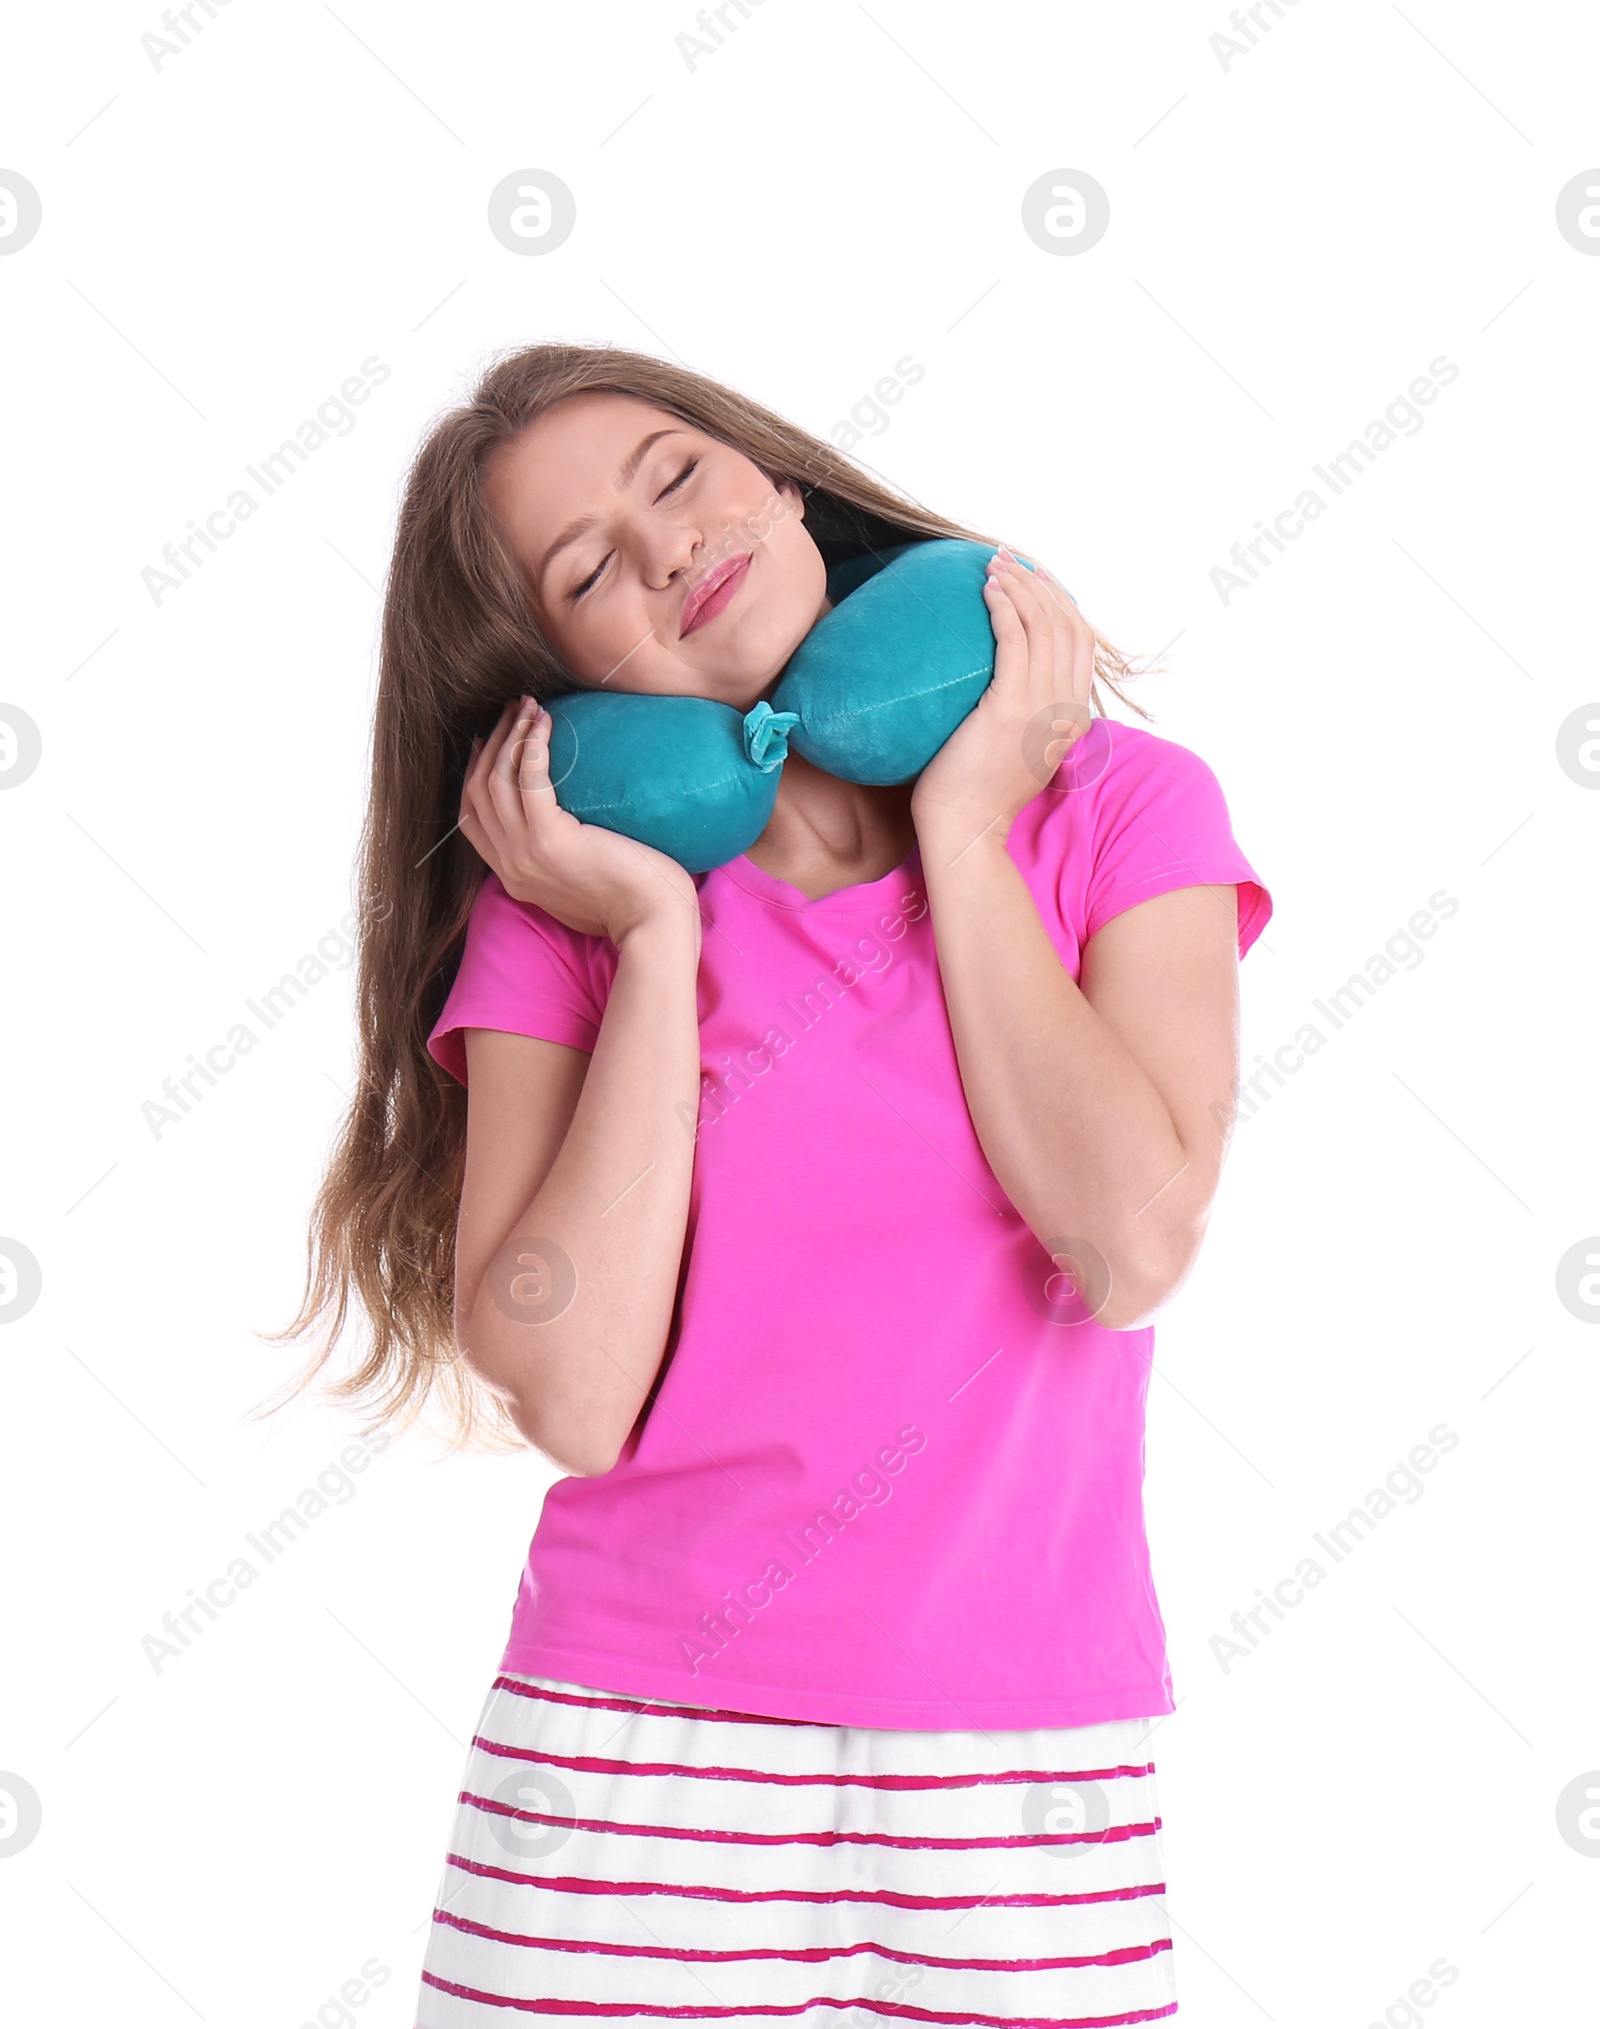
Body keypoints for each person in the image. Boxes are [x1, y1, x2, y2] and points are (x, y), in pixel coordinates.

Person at [268, 342, 1273, 2024]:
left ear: (778, 483)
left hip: (1021, 1772)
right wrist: (654, 940)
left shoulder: (1118, 813)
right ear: (557, 678)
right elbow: (577, 1394)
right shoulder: (572, 914)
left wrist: (965, 831)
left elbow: (1125, 1241)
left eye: (673, 476)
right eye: (587, 570)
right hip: (632, 1767)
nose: (663, 549)